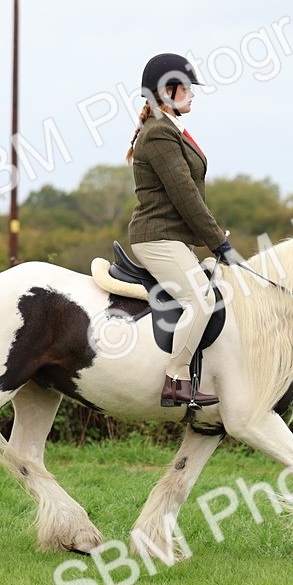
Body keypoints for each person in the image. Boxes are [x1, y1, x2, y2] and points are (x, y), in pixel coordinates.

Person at [126, 53, 239, 408]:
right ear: (166, 90)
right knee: (201, 299)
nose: (192, 94)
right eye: (186, 88)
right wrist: (218, 243)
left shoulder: (169, 127)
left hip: (171, 238)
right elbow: (186, 197)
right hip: (156, 238)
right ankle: (176, 379)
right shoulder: (159, 133)